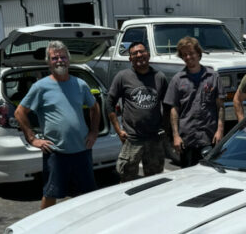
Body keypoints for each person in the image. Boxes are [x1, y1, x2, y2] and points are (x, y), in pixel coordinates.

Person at [15, 41, 99, 210]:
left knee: (88, 194)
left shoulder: (80, 84)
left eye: (63, 57)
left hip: (82, 150)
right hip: (56, 153)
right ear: (48, 62)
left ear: (68, 60)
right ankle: (44, 229)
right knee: (51, 194)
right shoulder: (40, 87)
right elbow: (19, 112)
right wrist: (32, 139)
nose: (59, 60)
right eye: (55, 58)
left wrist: (93, 132)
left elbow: (94, 107)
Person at [107, 41, 168, 181]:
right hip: (132, 139)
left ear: (148, 54)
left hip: (154, 138)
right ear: (130, 59)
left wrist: (166, 129)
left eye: (142, 52)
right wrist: (118, 129)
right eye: (134, 53)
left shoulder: (160, 77)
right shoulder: (123, 77)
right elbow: (109, 103)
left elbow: (168, 106)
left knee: (155, 180)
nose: (139, 55)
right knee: (127, 179)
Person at [164, 36, 225, 167]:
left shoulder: (213, 77)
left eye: (191, 53)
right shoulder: (177, 80)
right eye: (184, 55)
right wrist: (175, 136)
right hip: (187, 139)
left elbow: (220, 106)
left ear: (198, 53)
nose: (188, 57)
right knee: (188, 178)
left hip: (209, 138)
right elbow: (174, 110)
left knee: (211, 176)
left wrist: (220, 131)